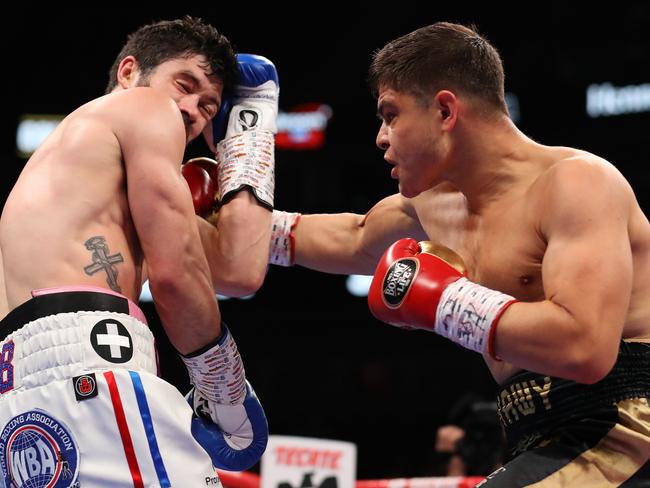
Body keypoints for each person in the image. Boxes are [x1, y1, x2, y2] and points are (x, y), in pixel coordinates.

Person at [268, 22, 650, 486]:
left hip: (629, 426)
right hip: (542, 439)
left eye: (391, 115)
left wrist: (447, 302)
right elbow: (351, 237)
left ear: (445, 110)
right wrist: (205, 220)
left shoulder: (577, 183)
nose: (380, 138)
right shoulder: (433, 205)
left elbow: (585, 348)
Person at [0, 16, 278, 487]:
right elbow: (175, 277)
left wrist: (249, 133)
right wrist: (221, 383)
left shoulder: (97, 180)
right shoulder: (143, 107)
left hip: (20, 398)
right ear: (129, 72)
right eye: (184, 85)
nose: (191, 110)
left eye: (210, 108)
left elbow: (240, 267)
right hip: (92, 363)